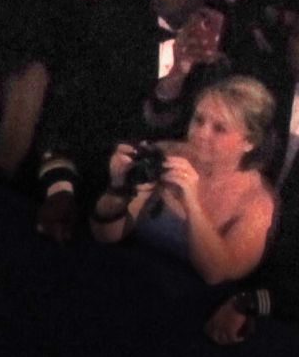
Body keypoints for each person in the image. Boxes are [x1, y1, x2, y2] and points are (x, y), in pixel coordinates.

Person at [94, 78, 280, 292]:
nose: (201, 133)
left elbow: (215, 274)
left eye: (219, 128)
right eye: (199, 120)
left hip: (191, 305)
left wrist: (192, 203)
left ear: (250, 142)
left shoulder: (257, 202)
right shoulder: (164, 154)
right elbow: (106, 235)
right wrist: (118, 185)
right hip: (127, 279)